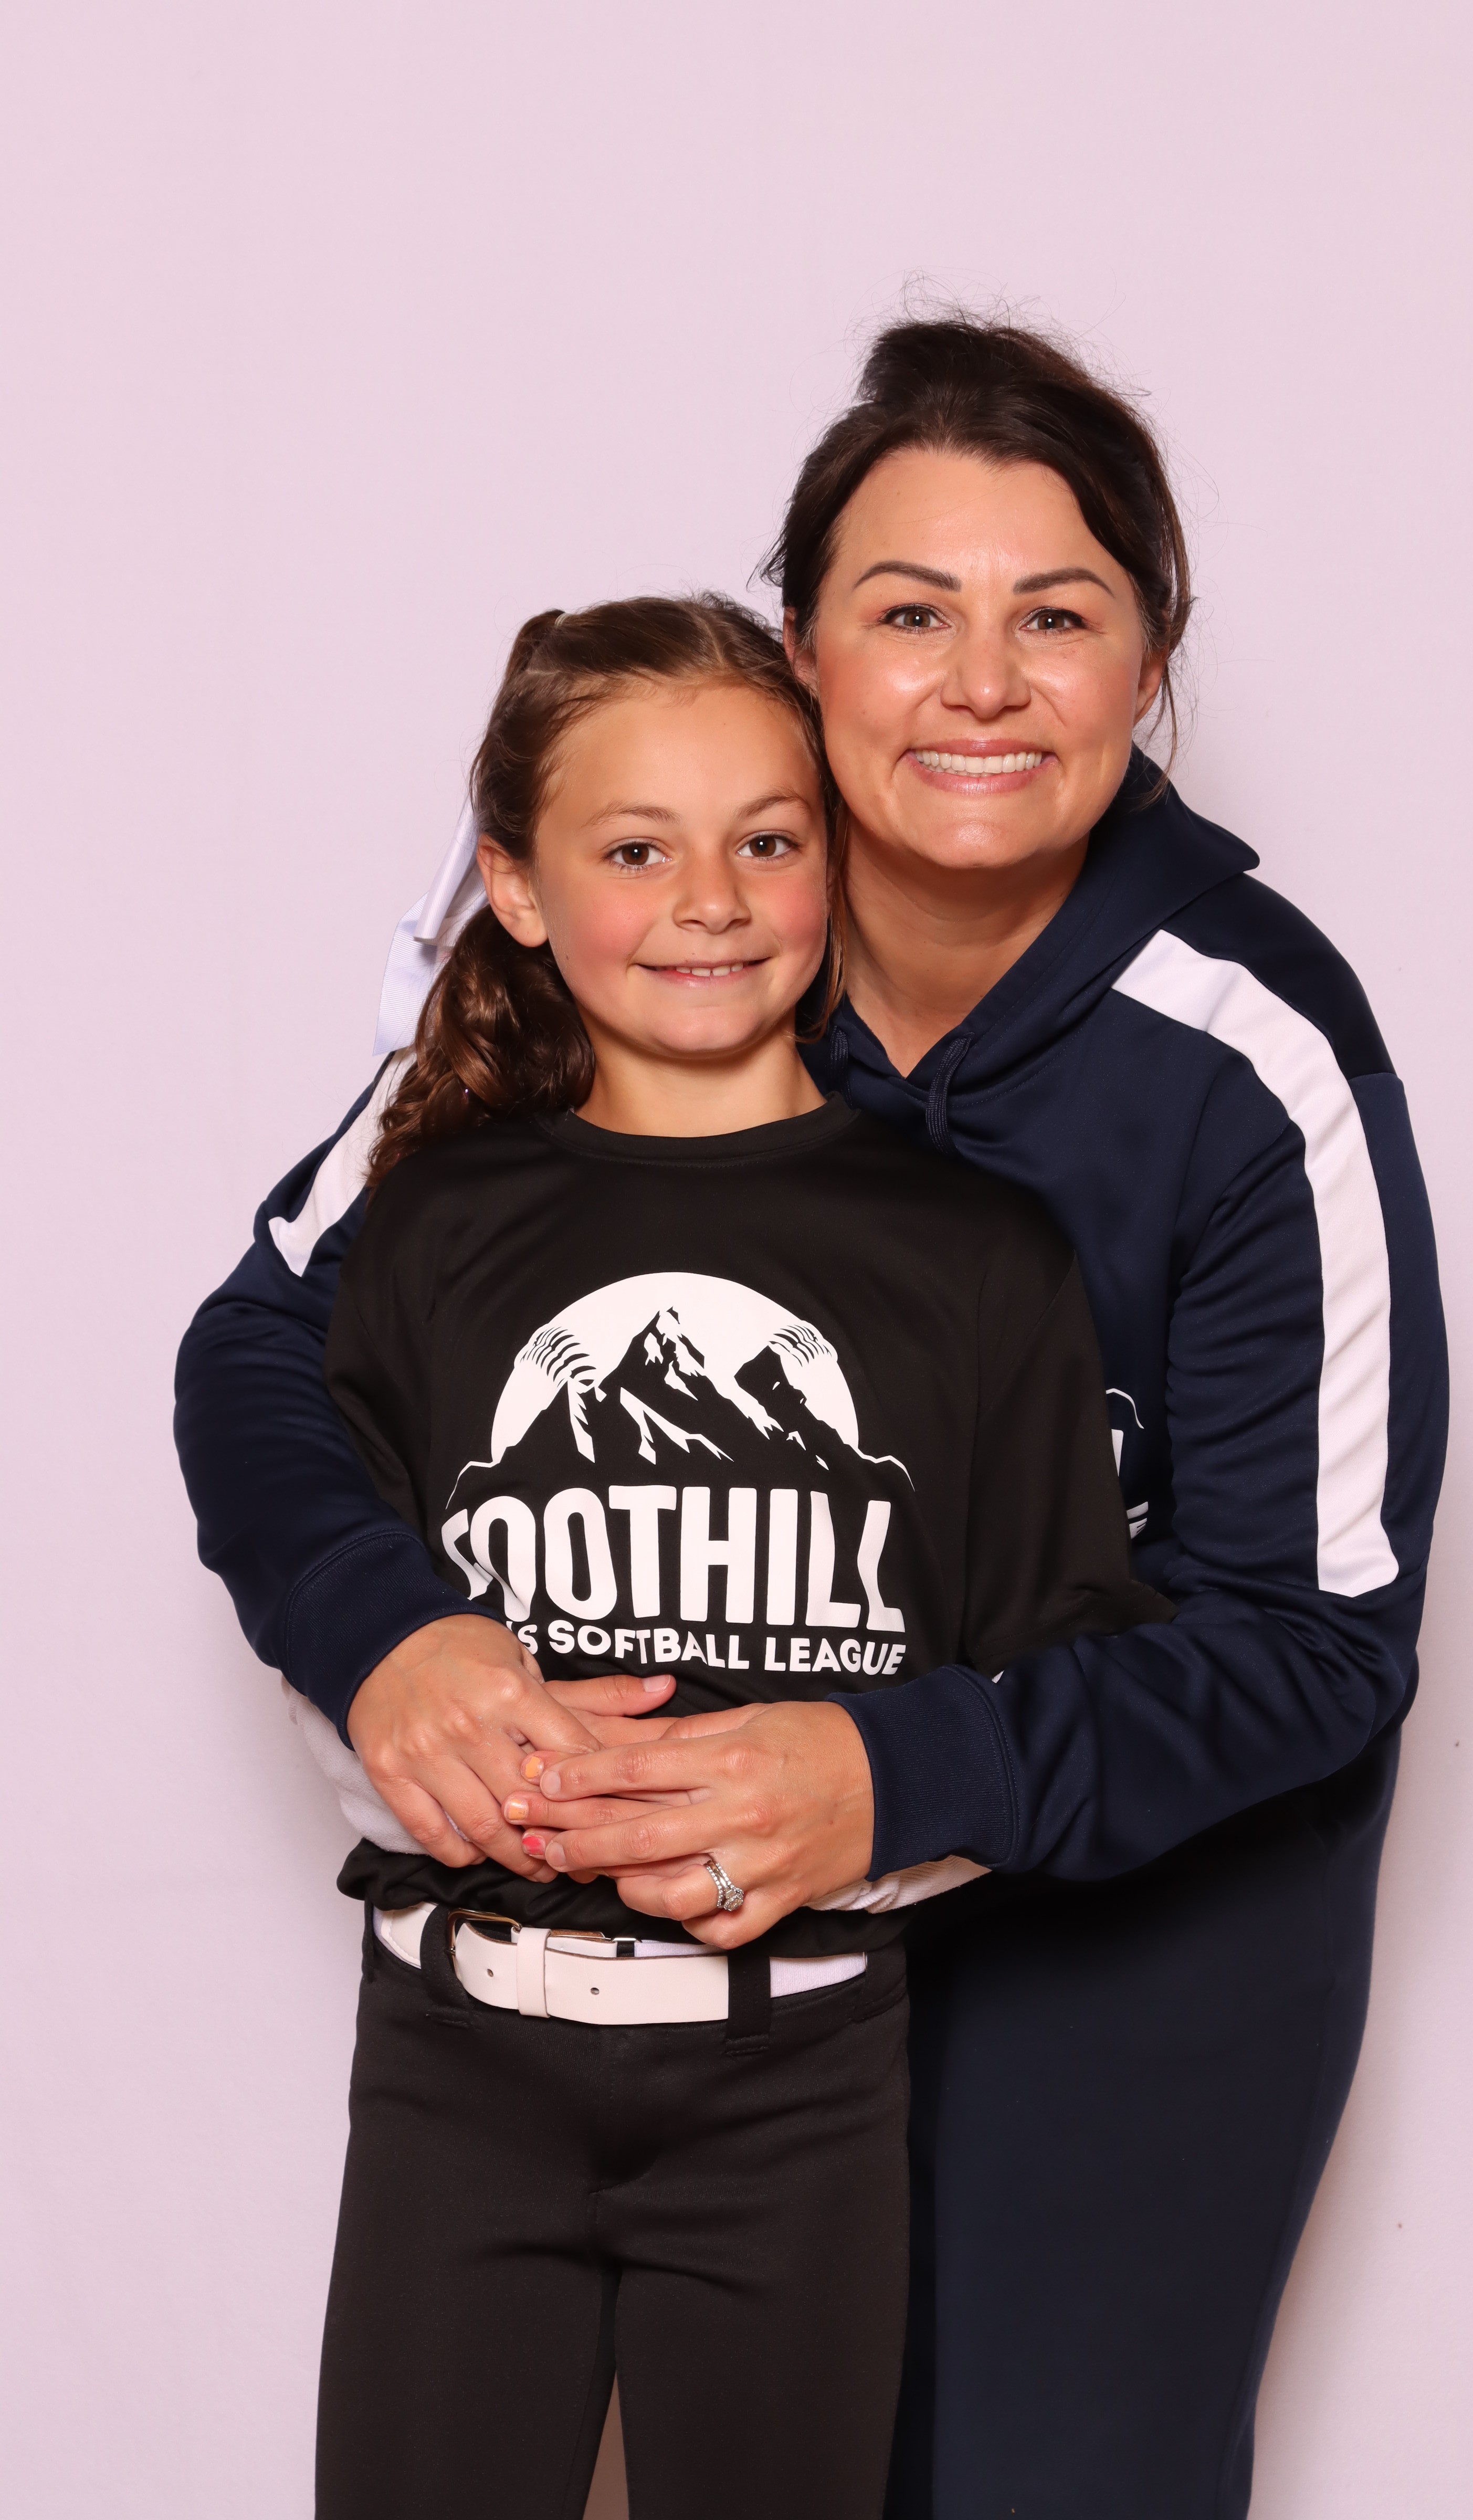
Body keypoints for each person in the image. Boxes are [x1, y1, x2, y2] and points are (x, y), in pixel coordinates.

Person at [175, 318, 1448, 2519]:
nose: (980, 686)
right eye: (908, 613)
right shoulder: (679, 933)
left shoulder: (1255, 1055)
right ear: (803, 648)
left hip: (1124, 1948)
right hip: (663, 1981)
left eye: (1058, 617)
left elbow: (1318, 1639)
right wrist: (388, 1632)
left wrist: (888, 1769)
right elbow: (266, 1344)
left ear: (1150, 664)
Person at [291, 591, 1163, 2520]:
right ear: (514, 889)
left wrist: (850, 1808)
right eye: (634, 851)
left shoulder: (977, 1255)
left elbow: (1057, 1666)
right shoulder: (428, 1224)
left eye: (768, 841)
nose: (711, 900)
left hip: (803, 2076)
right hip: (455, 2056)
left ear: (833, 864)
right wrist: (460, 1754)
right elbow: (341, 1621)